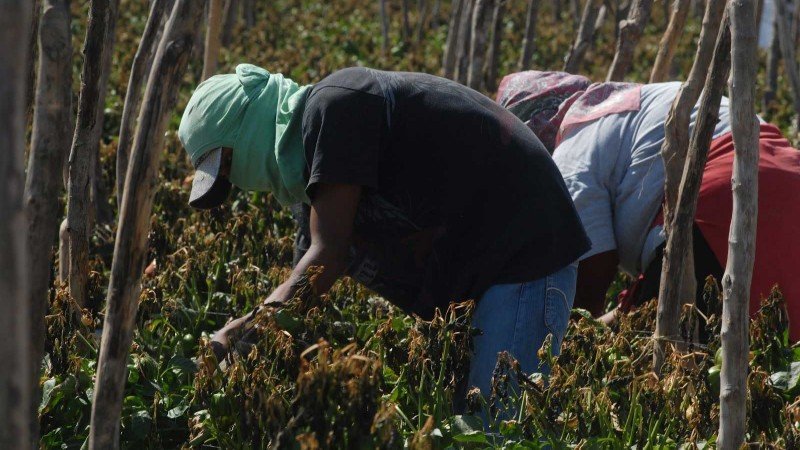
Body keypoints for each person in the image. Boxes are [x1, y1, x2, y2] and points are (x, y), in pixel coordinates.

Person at [177, 64, 591, 402]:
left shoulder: (337, 104)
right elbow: (302, 295)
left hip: (523, 256)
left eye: (229, 164)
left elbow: (327, 258)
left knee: (495, 427)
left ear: (249, 124)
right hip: (474, 285)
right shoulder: (312, 192)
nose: (238, 182)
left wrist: (237, 334)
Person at [497, 70, 800, 341]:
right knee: (780, 350)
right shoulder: (630, 102)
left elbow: (590, 272)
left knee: (660, 355)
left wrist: (569, 345)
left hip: (720, 196)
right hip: (787, 177)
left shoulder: (573, 147)